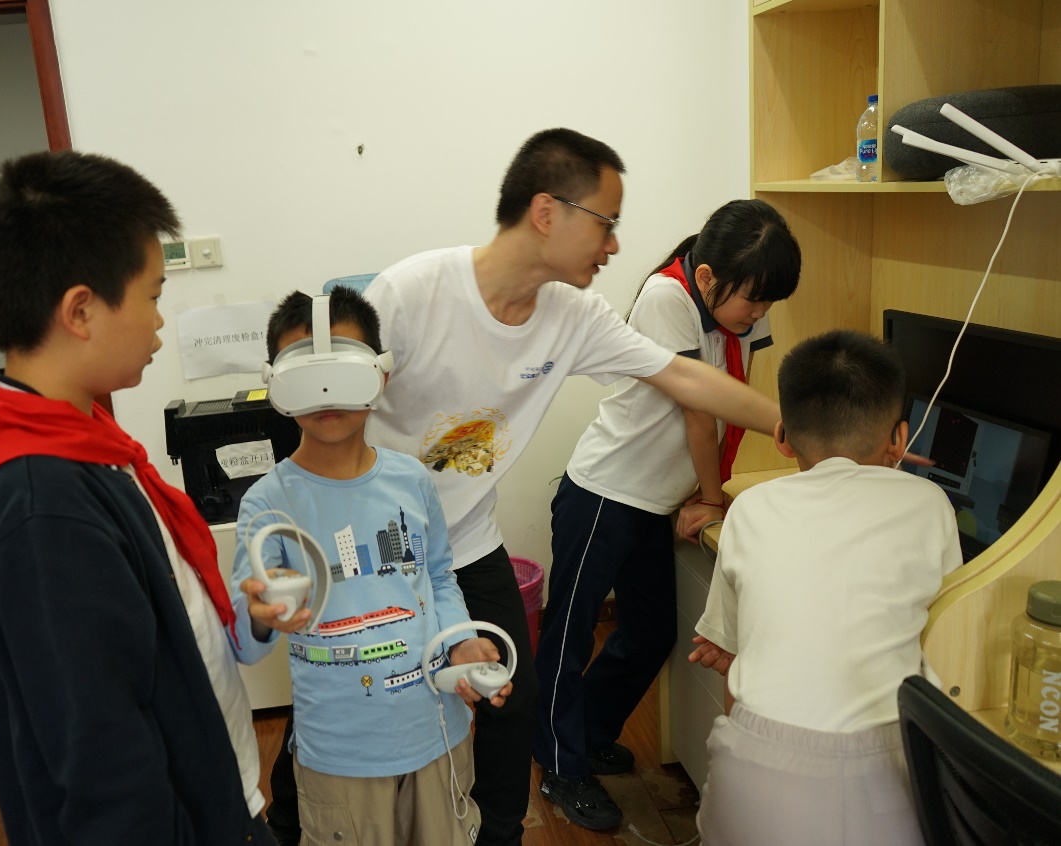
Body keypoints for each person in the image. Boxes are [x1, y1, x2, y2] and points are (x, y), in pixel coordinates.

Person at [259, 127, 780, 846]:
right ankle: (287, 823)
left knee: (514, 692)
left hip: (466, 540)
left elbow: (683, 376)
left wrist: (791, 425)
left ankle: (498, 833)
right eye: (606, 223)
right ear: (546, 212)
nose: (614, 246)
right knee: (346, 684)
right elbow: (327, 409)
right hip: (371, 540)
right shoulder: (411, 292)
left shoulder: (575, 317)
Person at [0, 150, 275, 845]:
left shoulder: (90, 447)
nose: (160, 321)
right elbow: (102, 757)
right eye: (153, 295)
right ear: (81, 310)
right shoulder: (42, 503)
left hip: (217, 796)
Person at [533, 198, 802, 828]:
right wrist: (710, 496)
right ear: (708, 278)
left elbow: (737, 395)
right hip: (605, 494)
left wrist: (701, 490)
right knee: (569, 635)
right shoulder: (667, 296)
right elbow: (699, 412)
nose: (760, 314)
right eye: (754, 299)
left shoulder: (735, 317)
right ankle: (560, 766)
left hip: (652, 499)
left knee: (651, 631)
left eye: (770, 302)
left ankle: (587, 731)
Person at [232, 288, 511, 846]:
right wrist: (260, 614)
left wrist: (459, 640)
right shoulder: (267, 503)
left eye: (343, 370)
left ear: (379, 375)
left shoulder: (411, 480)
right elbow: (246, 642)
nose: (327, 393)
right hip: (339, 756)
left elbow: (438, 575)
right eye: (308, 375)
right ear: (278, 385)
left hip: (437, 734)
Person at [688, 329, 962, 846]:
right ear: (900, 438)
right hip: (882, 767)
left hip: (752, 760)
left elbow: (731, 663)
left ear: (782, 436)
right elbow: (946, 643)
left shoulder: (749, 508)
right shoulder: (930, 504)